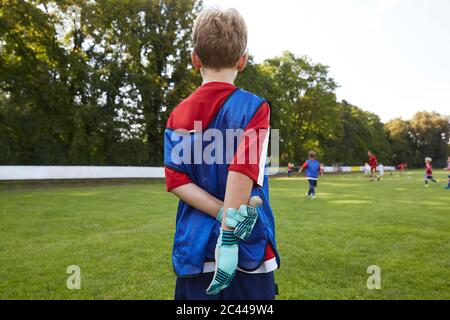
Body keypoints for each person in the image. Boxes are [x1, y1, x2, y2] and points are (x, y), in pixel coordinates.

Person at [164, 8, 279, 300]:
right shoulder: (255, 107)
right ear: (243, 61)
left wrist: (219, 213)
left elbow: (176, 180)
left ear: (195, 59)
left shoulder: (178, 114)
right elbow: (242, 170)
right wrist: (228, 234)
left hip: (196, 244)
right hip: (245, 241)